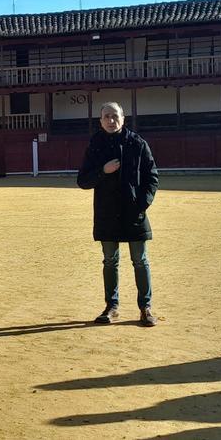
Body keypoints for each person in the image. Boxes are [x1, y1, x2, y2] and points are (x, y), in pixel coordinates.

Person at [77, 102, 160, 327]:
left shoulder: (137, 143)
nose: (111, 121)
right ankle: (111, 307)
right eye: (106, 117)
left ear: (123, 118)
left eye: (115, 116)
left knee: (140, 261)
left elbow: (152, 177)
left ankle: (145, 307)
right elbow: (83, 180)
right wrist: (103, 171)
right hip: (106, 212)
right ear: (100, 121)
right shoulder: (95, 145)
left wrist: (141, 205)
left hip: (134, 213)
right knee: (110, 261)